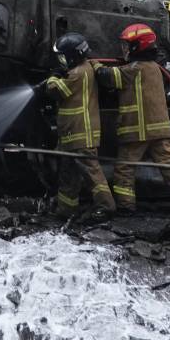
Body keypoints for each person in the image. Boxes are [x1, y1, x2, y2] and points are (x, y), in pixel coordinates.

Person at [95, 24, 170, 215]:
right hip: (160, 131)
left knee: (124, 170)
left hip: (137, 131)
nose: (124, 49)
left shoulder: (133, 70)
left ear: (137, 47)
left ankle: (126, 207)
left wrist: (95, 65)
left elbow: (107, 77)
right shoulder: (155, 68)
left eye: (127, 45)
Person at [43, 33, 116, 220]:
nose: (61, 61)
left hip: (81, 133)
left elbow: (55, 90)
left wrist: (53, 76)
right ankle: (66, 209)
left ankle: (106, 207)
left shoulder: (77, 73)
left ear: (73, 55)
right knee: (68, 174)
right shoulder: (84, 68)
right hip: (71, 134)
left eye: (63, 57)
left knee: (92, 173)